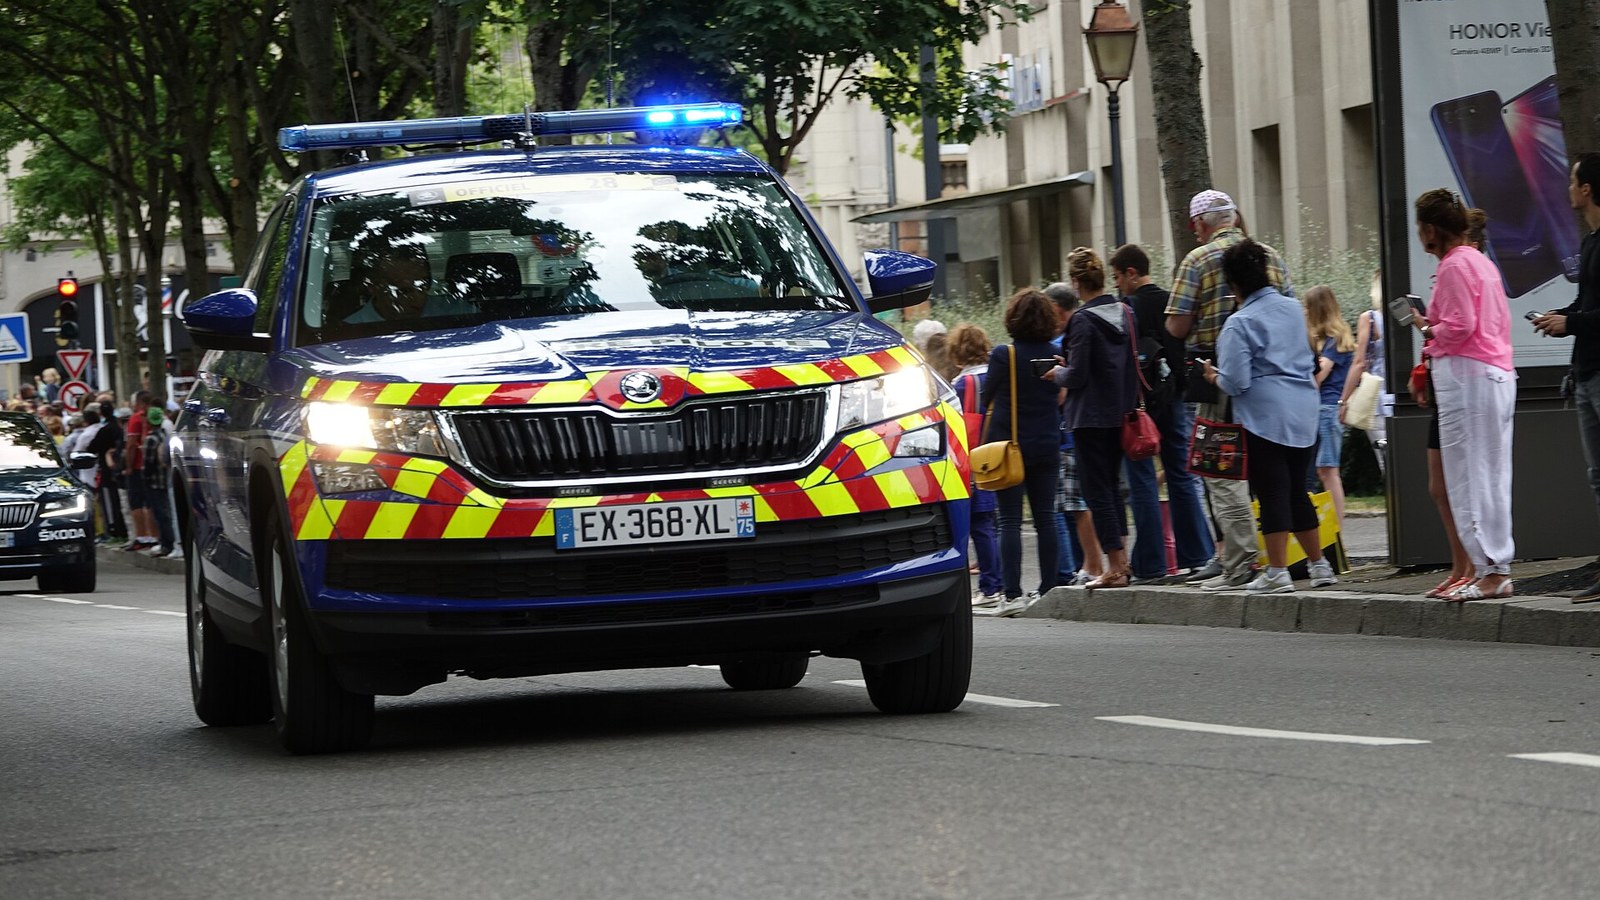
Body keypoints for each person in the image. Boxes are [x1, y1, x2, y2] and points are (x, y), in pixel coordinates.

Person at [1166, 189, 1295, 590]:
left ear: (1198, 224)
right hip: (1271, 374)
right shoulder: (1270, 255)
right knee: (1267, 467)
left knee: (1221, 469)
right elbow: (1288, 307)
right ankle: (1279, 562)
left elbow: (1176, 326)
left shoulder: (1196, 259)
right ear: (1235, 217)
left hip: (1215, 375)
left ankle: (1239, 564)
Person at [1199, 239, 1336, 594]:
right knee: (1298, 490)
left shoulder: (1239, 323)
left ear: (1233, 284)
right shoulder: (1294, 309)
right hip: (1304, 409)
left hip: (1265, 418)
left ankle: (1277, 571)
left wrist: (1213, 376)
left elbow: (1237, 382)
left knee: (1272, 491)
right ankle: (1319, 565)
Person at [1412, 188, 1515, 600]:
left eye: (1420, 226)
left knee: (1469, 476)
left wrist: (1426, 328)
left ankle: (1490, 570)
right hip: (1493, 373)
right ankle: (1491, 569)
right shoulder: (1479, 262)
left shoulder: (1454, 265)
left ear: (1430, 229)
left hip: (1468, 378)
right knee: (1489, 474)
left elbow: (1459, 325)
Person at [1111, 243, 1214, 581]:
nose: (1117, 285)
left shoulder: (1128, 308)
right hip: (1174, 397)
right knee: (1181, 472)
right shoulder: (1172, 301)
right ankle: (1197, 555)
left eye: (1117, 277)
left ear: (1131, 273)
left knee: (1141, 479)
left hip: (1141, 403)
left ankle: (1151, 563)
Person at [1534, 152, 1600, 602]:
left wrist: (1571, 323)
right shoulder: (1590, 241)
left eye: (1573, 182)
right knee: (1598, 477)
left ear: (1587, 189)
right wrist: (1559, 316)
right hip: (1586, 373)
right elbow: (1586, 304)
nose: (1568, 189)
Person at [1053, 247, 1140, 587]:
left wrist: (1057, 374)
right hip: (1121, 412)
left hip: (1089, 416)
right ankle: (1122, 562)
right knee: (1113, 488)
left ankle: (1114, 567)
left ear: (1076, 282)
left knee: (1097, 490)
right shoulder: (1126, 311)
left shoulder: (1082, 320)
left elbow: (1076, 376)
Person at [980, 288, 1063, 616]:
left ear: (1014, 317)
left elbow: (986, 396)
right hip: (1048, 444)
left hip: (1010, 447)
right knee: (1046, 518)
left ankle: (1012, 594)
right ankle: (1048, 590)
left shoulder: (1005, 354)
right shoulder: (1056, 354)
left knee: (1010, 520)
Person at [948, 323, 1003, 609]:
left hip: (975, 460)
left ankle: (990, 588)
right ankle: (1000, 584)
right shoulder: (996, 375)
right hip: (1001, 454)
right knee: (995, 524)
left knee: (979, 525)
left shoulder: (963, 384)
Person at [1043, 282, 1092, 585]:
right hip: (1077, 430)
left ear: (1057, 310)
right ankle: (1083, 566)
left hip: (1067, 433)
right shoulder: (1076, 335)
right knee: (1077, 505)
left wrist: (1056, 375)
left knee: (1073, 506)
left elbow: (1062, 392)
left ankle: (1085, 567)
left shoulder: (1061, 342)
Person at [1304, 285, 1355, 530]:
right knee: (1325, 470)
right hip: (1325, 408)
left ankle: (1335, 529)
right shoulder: (1334, 339)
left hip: (1326, 408)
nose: (1304, 312)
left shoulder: (1333, 342)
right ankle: (1333, 528)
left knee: (1328, 471)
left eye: (1307, 307)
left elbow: (1317, 377)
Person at [1339, 272, 1388, 476]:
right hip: (1406, 398)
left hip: (1377, 397)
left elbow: (1359, 363)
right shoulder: (1408, 316)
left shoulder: (1369, 319)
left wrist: (1344, 401)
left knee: (1386, 463)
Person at [345, 243, 437, 323]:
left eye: (423, 285)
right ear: (373, 287)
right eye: (403, 291)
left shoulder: (446, 313)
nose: (418, 300)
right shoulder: (349, 332)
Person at [121, 390, 159, 551]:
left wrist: (128, 466)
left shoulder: (136, 419)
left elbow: (131, 445)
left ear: (138, 403)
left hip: (137, 466)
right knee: (150, 502)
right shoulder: (156, 417)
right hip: (153, 464)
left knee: (136, 502)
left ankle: (142, 536)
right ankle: (154, 536)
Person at [141, 403, 179, 559]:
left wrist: (145, 477)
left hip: (155, 481)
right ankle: (168, 542)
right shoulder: (166, 436)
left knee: (161, 514)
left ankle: (167, 544)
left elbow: (149, 462)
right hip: (166, 479)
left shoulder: (151, 439)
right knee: (166, 512)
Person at [87, 406, 127, 543]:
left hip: (107, 470)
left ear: (101, 414)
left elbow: (91, 448)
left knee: (110, 502)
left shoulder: (105, 430)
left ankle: (114, 530)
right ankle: (123, 530)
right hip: (121, 468)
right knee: (121, 501)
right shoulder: (119, 429)